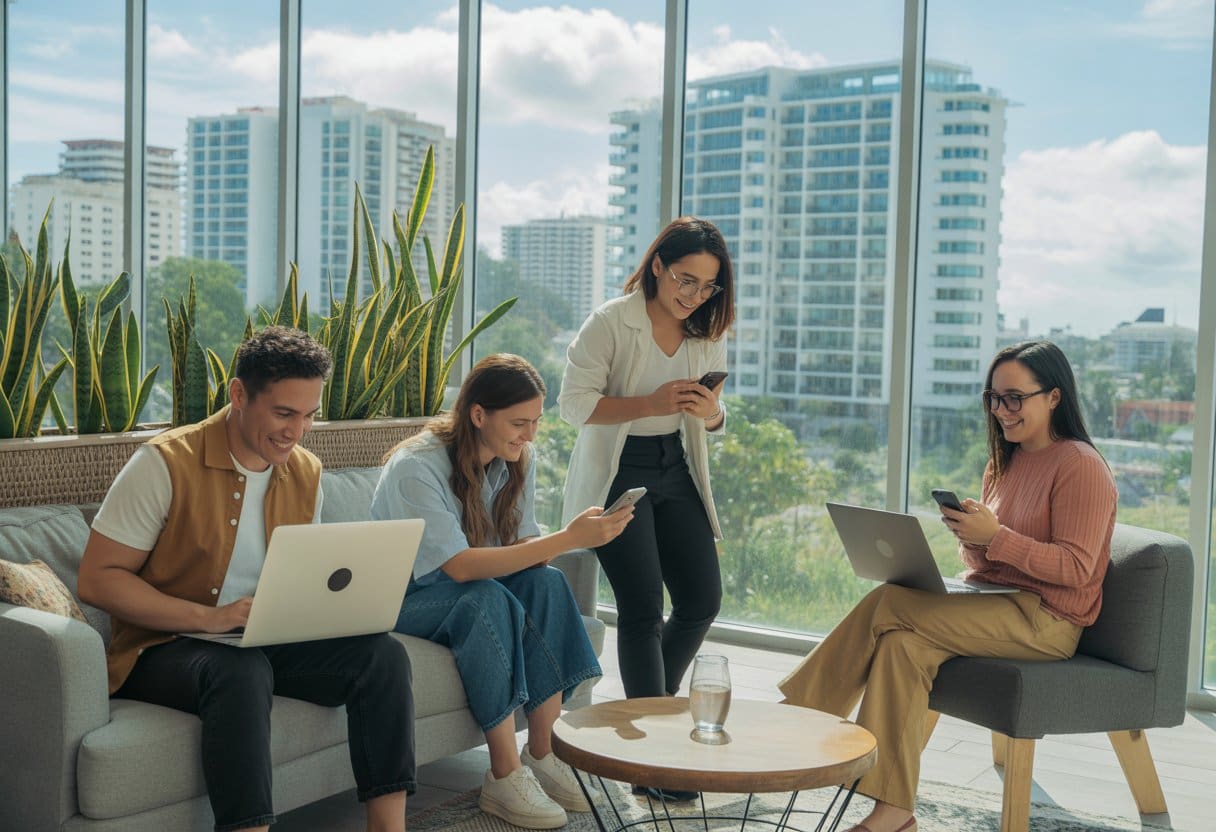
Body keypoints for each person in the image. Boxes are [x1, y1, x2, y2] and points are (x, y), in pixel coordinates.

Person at [76, 326, 415, 832]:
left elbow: (305, 573)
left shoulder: (306, 471)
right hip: (163, 647)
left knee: (382, 656)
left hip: (261, 637)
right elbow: (98, 581)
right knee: (242, 671)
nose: (296, 431)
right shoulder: (164, 463)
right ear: (239, 395)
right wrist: (210, 618)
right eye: (283, 413)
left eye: (308, 416)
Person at [778, 340, 1117, 832]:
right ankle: (893, 815)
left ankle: (796, 722)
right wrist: (974, 539)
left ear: (1055, 397)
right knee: (900, 646)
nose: (1002, 410)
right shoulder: (1005, 463)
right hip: (991, 604)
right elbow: (986, 561)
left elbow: (1077, 569)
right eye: (994, 398)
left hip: (1046, 621)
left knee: (887, 602)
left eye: (1015, 398)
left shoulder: (1080, 465)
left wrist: (996, 537)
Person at [372, 353, 631, 830]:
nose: (529, 434)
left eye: (534, 422)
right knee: (486, 597)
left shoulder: (515, 460)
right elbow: (461, 566)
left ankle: (543, 752)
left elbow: (524, 549)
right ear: (478, 415)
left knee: (547, 582)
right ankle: (503, 776)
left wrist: (573, 538)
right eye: (518, 422)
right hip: (403, 600)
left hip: (464, 590)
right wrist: (568, 539)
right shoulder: (416, 468)